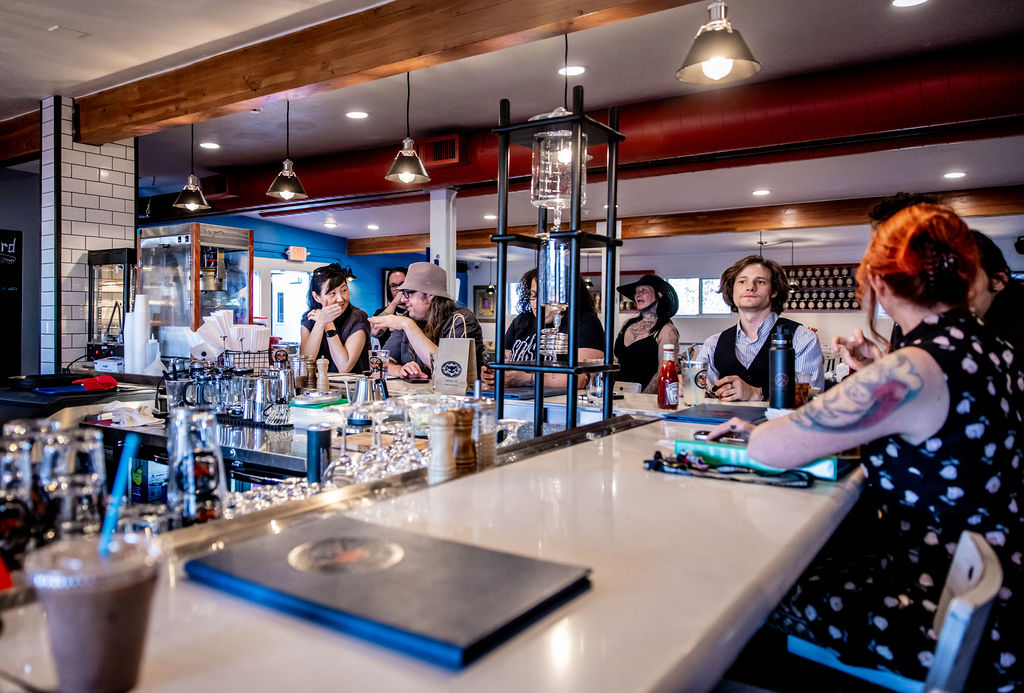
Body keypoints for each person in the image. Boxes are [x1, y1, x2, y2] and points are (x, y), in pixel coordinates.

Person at [709, 204, 1022, 690]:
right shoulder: (993, 349)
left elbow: (770, 449)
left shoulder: (911, 368)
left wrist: (876, 375)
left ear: (880, 283)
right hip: (992, 583)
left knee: (737, 583)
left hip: (934, 605)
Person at [835, 230, 1023, 369]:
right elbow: (908, 378)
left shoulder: (1012, 331)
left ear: (998, 281)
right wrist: (872, 362)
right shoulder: (930, 319)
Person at [696, 255, 824, 401]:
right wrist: (687, 386)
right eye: (742, 281)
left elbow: (809, 397)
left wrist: (757, 393)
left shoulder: (803, 339)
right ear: (732, 290)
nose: (750, 287)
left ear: (774, 291)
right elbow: (701, 392)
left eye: (761, 282)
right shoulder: (713, 344)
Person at [480, 268, 604, 389]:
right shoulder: (521, 321)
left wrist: (525, 379)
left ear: (565, 294)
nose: (536, 303)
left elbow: (580, 379)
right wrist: (491, 375)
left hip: (559, 400)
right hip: (514, 398)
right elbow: (503, 364)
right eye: (533, 295)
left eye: (544, 296)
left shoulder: (585, 322)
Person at [368, 262, 485, 378]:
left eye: (408, 293)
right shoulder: (408, 318)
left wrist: (408, 325)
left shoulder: (460, 320)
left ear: (430, 295)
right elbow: (376, 365)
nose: (403, 299)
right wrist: (399, 370)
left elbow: (452, 372)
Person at [299, 263, 370, 373]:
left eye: (344, 290)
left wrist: (328, 324)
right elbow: (305, 363)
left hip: (352, 383)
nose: (340, 299)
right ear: (317, 297)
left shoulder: (358, 318)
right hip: (318, 383)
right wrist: (320, 323)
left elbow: (344, 367)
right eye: (332, 293)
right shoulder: (310, 318)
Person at [612, 274, 679, 391]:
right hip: (615, 393)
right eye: (636, 292)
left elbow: (663, 373)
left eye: (643, 290)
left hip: (645, 397)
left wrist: (642, 397)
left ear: (659, 294)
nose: (637, 294)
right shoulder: (627, 324)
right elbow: (618, 359)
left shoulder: (667, 330)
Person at [371, 266, 408, 348]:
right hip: (388, 355)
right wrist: (394, 302)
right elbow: (375, 333)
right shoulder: (381, 312)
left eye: (402, 284)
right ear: (389, 288)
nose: (398, 289)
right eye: (394, 285)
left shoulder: (416, 312)